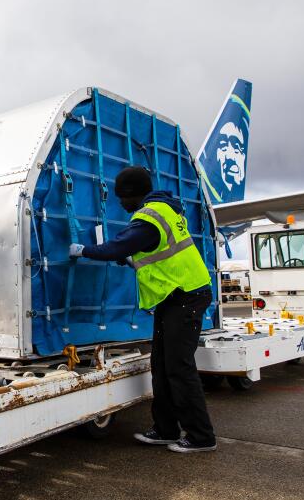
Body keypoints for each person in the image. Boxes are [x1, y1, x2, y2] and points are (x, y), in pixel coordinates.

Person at [69, 167, 216, 453]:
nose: (120, 204)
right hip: (174, 297)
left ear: (132, 194)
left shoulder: (149, 218)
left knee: (178, 368)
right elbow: (154, 254)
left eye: (122, 198)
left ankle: (201, 436)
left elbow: (114, 248)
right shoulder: (163, 210)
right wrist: (129, 258)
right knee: (161, 366)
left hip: (186, 296)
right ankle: (165, 430)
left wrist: (82, 250)